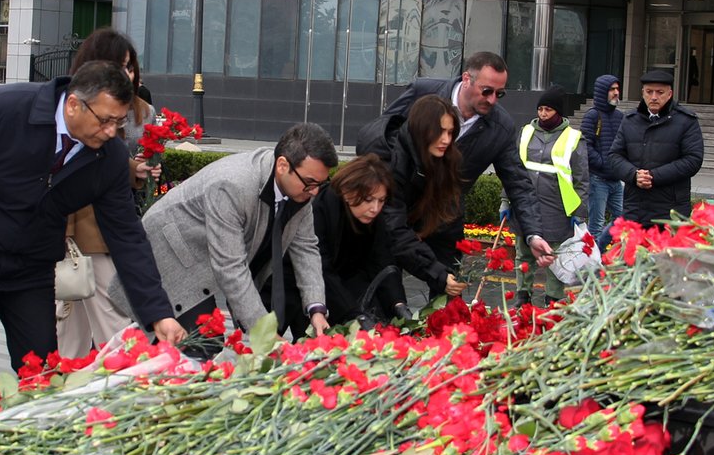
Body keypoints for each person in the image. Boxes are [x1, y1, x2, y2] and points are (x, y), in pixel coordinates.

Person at [0, 60, 185, 395]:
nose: (110, 132)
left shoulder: (109, 158)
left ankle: (29, 426)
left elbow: (127, 236)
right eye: (105, 120)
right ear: (73, 104)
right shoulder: (3, 108)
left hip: (30, 264)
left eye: (119, 122)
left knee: (41, 367)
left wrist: (158, 313)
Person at [113, 123, 337, 338]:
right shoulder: (232, 185)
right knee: (198, 342)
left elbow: (306, 248)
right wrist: (264, 333)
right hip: (169, 254)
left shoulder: (300, 189)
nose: (315, 192)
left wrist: (316, 308)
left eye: (320, 183)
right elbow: (230, 266)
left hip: (206, 259)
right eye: (310, 182)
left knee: (195, 343)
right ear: (282, 165)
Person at [364, 51, 554, 272]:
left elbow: (518, 183)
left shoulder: (501, 127)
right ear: (466, 79)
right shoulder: (422, 91)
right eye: (486, 91)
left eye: (499, 94)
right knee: (384, 276)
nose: (492, 99)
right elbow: (384, 132)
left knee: (448, 282)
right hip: (397, 203)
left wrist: (533, 234)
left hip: (444, 216)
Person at [56, 28, 159, 358]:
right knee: (77, 321)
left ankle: (94, 377)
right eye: (120, 64)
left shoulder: (139, 108)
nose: (128, 73)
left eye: (130, 66)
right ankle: (67, 379)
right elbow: (80, 160)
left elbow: (110, 157)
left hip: (106, 222)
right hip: (76, 226)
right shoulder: (77, 103)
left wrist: (137, 169)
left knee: (103, 318)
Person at [357, 95, 469, 299]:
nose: (446, 140)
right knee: (388, 303)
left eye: (450, 132)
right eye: (439, 132)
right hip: (370, 241)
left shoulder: (447, 159)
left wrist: (449, 276)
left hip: (404, 232)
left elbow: (449, 225)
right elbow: (393, 228)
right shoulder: (389, 163)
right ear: (422, 130)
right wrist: (436, 273)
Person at [289, 153, 410, 330]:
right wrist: (353, 314)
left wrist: (397, 303)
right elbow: (320, 266)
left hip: (352, 285)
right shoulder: (321, 209)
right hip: (313, 291)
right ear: (347, 192)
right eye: (368, 200)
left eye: (381, 200)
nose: (375, 208)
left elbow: (382, 259)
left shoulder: (373, 216)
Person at [509, 86, 588, 306]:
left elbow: (582, 178)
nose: (543, 114)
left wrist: (579, 212)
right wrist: (506, 200)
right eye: (540, 109)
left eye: (548, 110)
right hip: (526, 203)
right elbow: (512, 169)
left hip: (558, 206)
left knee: (555, 254)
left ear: (559, 112)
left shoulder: (573, 138)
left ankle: (553, 297)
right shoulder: (526, 132)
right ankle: (522, 295)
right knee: (523, 252)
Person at [605, 69, 704, 227]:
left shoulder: (686, 121)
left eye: (660, 92)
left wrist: (654, 176)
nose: (654, 97)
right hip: (635, 207)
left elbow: (693, 160)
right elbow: (614, 156)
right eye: (649, 92)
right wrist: (634, 175)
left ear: (670, 94)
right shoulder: (630, 120)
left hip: (671, 210)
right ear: (642, 93)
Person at [580, 74, 624, 252]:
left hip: (616, 179)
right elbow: (585, 146)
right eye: (612, 89)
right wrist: (603, 163)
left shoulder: (620, 116)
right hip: (598, 179)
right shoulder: (592, 116)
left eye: (617, 88)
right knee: (596, 225)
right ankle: (593, 261)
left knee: (622, 219)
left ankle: (600, 251)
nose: (616, 92)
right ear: (602, 92)